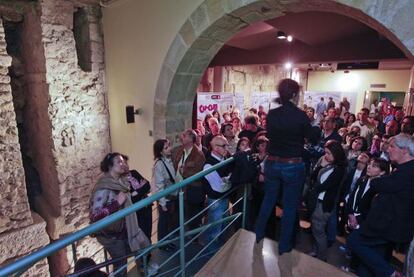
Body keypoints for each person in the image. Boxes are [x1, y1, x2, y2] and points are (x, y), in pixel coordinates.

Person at [255, 79, 318, 257]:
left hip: (273, 163)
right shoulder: (300, 116)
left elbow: (272, 134)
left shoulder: (272, 114)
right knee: (290, 207)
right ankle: (283, 247)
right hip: (292, 165)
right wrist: (313, 126)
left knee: (268, 201)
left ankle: (258, 235)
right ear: (294, 95)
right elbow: (313, 138)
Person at [347, 134, 414, 277]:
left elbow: (381, 184)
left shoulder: (409, 171)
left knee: (354, 241)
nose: (387, 149)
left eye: (392, 146)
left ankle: (391, 273)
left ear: (405, 150)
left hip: (387, 226)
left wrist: (377, 181)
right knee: (368, 265)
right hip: (384, 224)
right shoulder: (403, 168)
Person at [90, 153, 150, 277]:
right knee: (121, 265)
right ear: (110, 166)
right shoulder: (103, 187)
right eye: (119, 162)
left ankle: (144, 270)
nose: (123, 164)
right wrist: (116, 203)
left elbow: (145, 186)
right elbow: (94, 216)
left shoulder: (121, 182)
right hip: (111, 236)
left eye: (123, 161)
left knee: (141, 247)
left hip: (126, 229)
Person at [307, 140, 347, 261]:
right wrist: (321, 166)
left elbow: (324, 185)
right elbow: (313, 176)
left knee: (319, 231)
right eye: (325, 152)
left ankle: (321, 257)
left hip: (324, 204)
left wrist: (313, 189)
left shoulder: (340, 169)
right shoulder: (328, 164)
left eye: (329, 153)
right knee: (315, 228)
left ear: (336, 153)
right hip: (317, 200)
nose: (326, 155)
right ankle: (316, 251)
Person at [172, 129, 206, 236]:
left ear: (191, 139)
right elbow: (175, 164)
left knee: (193, 214)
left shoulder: (199, 155)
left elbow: (199, 174)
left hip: (192, 189)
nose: (182, 137)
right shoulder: (180, 150)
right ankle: (180, 234)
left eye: (184, 135)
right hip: (179, 188)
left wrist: (184, 172)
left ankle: (194, 237)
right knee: (179, 213)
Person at [203, 135, 233, 251]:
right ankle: (212, 254)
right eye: (224, 146)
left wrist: (227, 180)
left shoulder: (224, 159)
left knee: (223, 226)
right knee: (214, 229)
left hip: (225, 199)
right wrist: (230, 180)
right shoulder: (208, 165)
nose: (227, 148)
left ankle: (220, 250)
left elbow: (226, 181)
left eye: (227, 145)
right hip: (216, 201)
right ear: (215, 147)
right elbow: (219, 188)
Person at [152, 139, 178, 251]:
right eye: (166, 147)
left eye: (169, 146)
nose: (170, 148)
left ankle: (166, 242)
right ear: (160, 151)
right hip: (166, 199)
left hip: (171, 196)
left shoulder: (168, 160)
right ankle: (162, 244)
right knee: (163, 223)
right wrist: (162, 203)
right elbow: (159, 185)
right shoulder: (159, 164)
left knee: (168, 222)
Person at [122, 157, 152, 241]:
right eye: (122, 164)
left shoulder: (134, 172)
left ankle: (149, 252)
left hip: (147, 205)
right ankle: (143, 253)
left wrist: (136, 192)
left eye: (126, 163)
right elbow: (131, 198)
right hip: (136, 211)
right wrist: (141, 189)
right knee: (140, 235)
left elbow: (147, 185)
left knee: (148, 231)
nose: (125, 166)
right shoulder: (121, 181)